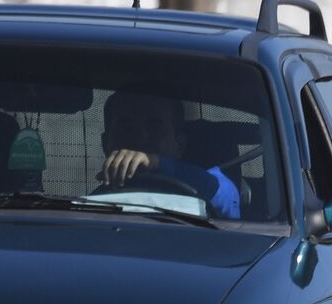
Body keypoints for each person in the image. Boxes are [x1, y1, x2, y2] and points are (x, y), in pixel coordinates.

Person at [99, 87, 242, 219]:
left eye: (154, 127)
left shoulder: (205, 185)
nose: (140, 136)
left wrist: (155, 163)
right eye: (126, 127)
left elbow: (225, 196)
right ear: (106, 143)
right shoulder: (91, 204)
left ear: (179, 144)